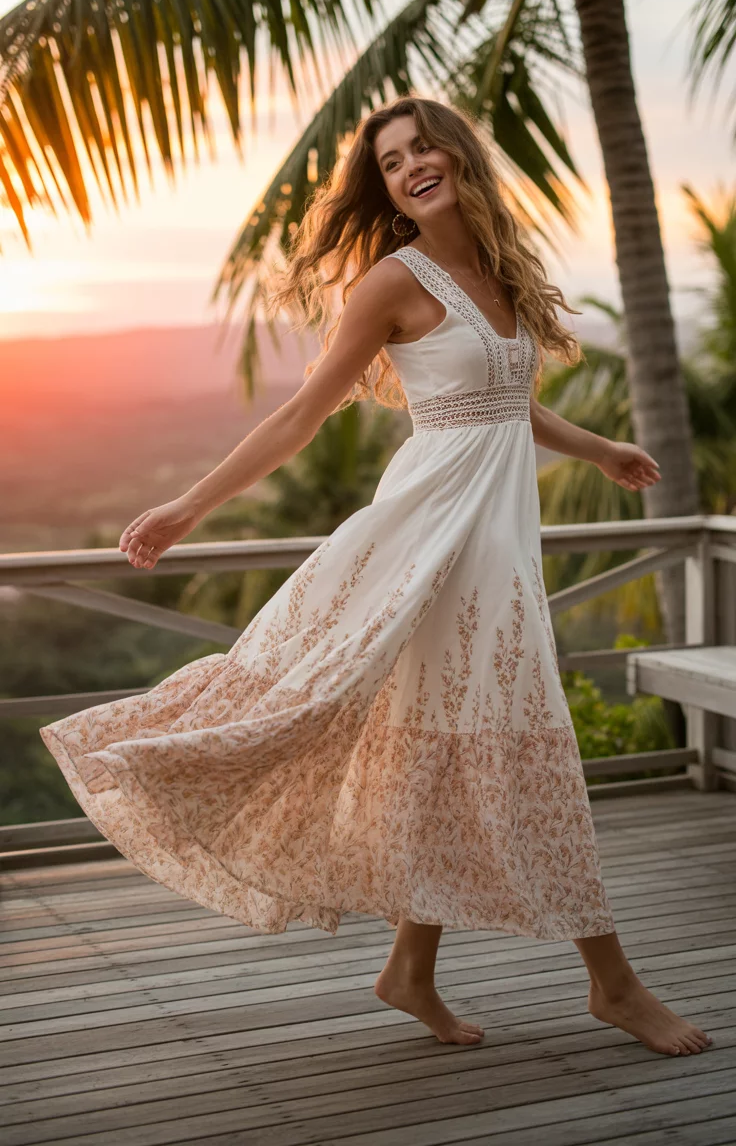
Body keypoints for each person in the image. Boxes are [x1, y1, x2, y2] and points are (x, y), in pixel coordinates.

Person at [41, 96, 712, 1058]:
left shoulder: (501, 274)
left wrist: (600, 447)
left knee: (445, 746)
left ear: (457, 152)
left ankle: (410, 970)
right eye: (391, 163)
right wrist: (188, 508)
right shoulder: (392, 281)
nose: (409, 168)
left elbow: (505, 404)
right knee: (526, 744)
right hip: (426, 543)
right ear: (387, 190)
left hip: (492, 546)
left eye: (421, 147)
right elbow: (299, 419)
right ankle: (616, 986)